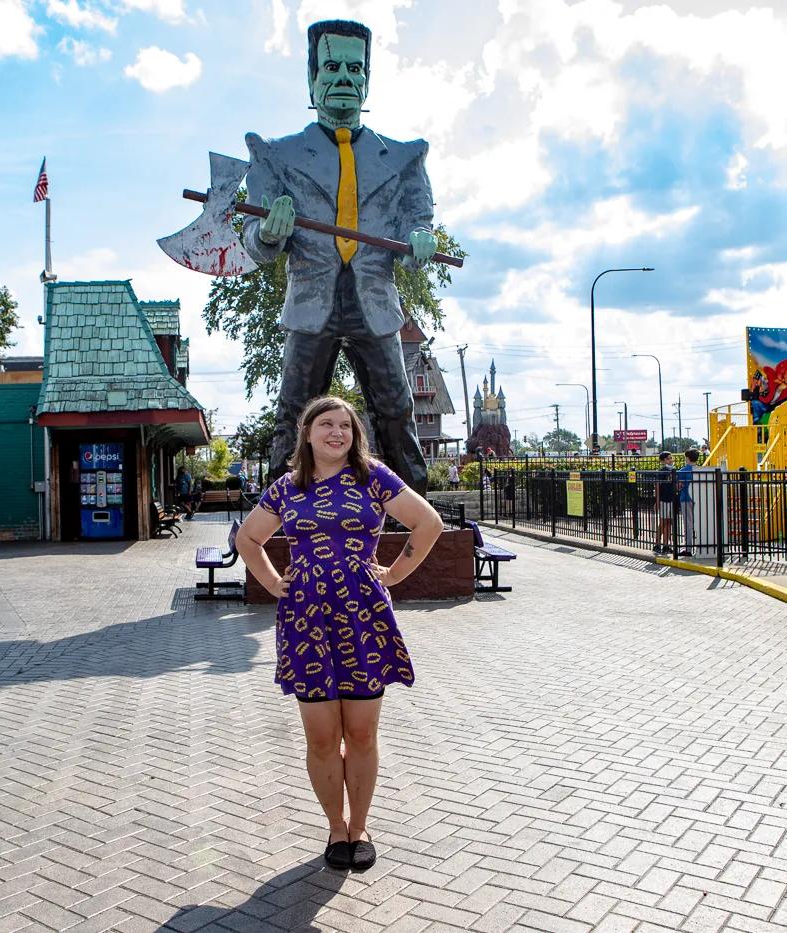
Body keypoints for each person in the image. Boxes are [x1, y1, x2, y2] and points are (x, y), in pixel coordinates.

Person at [237, 396, 444, 873]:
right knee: (322, 736)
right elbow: (248, 539)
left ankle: (360, 827)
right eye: (326, 424)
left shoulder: (374, 477)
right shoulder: (287, 488)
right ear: (307, 434)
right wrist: (273, 582)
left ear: (354, 435)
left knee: (363, 732)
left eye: (345, 426)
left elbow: (427, 523)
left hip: (364, 618)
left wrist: (393, 574)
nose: (336, 433)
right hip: (307, 620)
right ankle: (335, 826)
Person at [244, 19, 436, 495]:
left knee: (394, 407)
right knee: (295, 409)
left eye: (355, 68)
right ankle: (282, 508)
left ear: (368, 78)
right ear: (311, 79)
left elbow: (419, 223)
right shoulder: (274, 154)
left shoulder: (405, 157)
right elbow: (254, 239)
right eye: (331, 67)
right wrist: (269, 229)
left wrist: (420, 242)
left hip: (375, 302)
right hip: (312, 304)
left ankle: (410, 506)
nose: (344, 78)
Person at [654, 451, 678, 554]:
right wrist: (657, 501)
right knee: (663, 522)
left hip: (672, 499)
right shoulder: (662, 471)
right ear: (663, 461)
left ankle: (666, 545)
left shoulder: (674, 471)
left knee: (669, 522)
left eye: (671, 458)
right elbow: (658, 487)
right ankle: (657, 543)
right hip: (664, 499)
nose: (670, 460)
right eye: (668, 458)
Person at [676, 448, 699, 557]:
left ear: (687, 458)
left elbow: (679, 485)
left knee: (688, 523)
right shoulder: (700, 470)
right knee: (699, 522)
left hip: (686, 498)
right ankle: (701, 546)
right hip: (698, 498)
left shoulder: (683, 470)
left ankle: (688, 547)